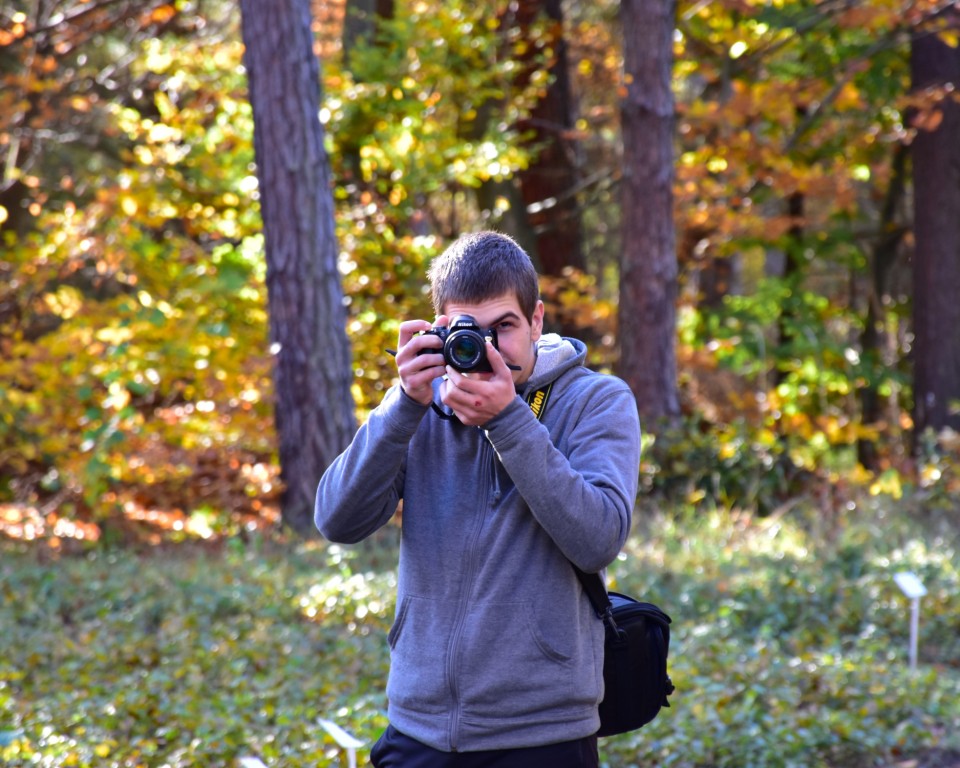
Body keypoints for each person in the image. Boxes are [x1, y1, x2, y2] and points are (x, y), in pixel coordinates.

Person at [315, 231, 641, 768]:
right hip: (417, 725)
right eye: (470, 331)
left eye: (504, 328)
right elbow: (337, 520)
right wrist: (402, 406)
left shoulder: (597, 401)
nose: (486, 350)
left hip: (542, 732)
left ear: (536, 320)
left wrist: (509, 419)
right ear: (441, 328)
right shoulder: (420, 408)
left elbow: (598, 538)